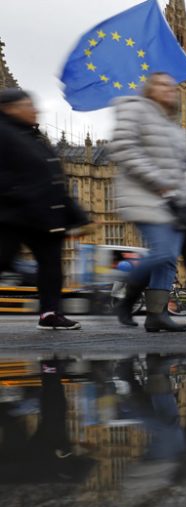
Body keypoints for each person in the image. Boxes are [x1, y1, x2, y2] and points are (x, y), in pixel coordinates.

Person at [108, 73, 186, 333]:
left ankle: (156, 315)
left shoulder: (172, 125)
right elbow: (123, 148)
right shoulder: (134, 109)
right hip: (144, 197)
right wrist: (159, 181)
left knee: (168, 261)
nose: (168, 89)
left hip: (172, 204)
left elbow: (182, 168)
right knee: (164, 253)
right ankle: (125, 297)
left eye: (171, 85)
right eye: (160, 84)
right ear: (148, 89)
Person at [0, 88, 88, 330]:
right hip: (13, 214)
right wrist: (17, 195)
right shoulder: (5, 133)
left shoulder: (35, 137)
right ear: (11, 109)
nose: (34, 110)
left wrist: (78, 217)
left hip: (43, 214)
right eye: (28, 106)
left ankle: (50, 313)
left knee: (51, 266)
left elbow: (55, 180)